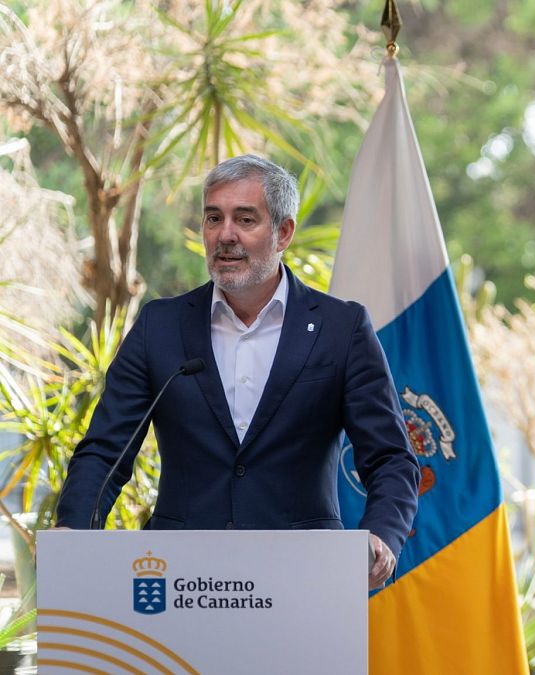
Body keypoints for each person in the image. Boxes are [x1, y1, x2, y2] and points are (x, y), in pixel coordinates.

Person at [55, 155, 420, 589]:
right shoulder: (160, 326)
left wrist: (382, 535)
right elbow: (105, 451)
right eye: (214, 218)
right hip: (181, 582)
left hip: (305, 580)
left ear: (284, 233)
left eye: (245, 219)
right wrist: (73, 531)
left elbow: (391, 458)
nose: (225, 235)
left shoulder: (341, 328)